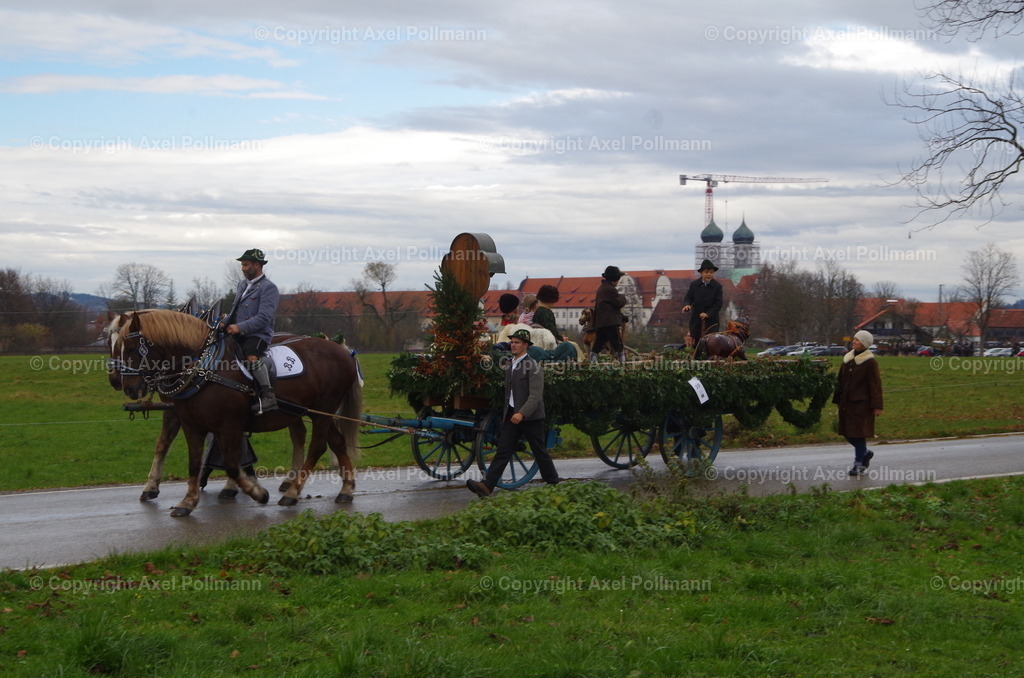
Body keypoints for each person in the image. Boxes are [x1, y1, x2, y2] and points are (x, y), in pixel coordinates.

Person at [467, 329, 561, 496]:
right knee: (503, 451)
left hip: (531, 418)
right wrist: (511, 412)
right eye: (512, 342)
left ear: (525, 345)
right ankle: (487, 486)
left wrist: (522, 413)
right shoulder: (511, 364)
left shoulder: (532, 366)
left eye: (517, 342)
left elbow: (535, 396)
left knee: (539, 451)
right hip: (511, 415)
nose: (513, 345)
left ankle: (553, 482)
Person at [223, 248, 280, 414]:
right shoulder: (242, 285)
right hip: (238, 332)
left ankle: (268, 396)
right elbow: (234, 311)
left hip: (258, 334)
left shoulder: (269, 288)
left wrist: (239, 327)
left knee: (251, 356)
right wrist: (224, 323)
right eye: (242, 264)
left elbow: (264, 317)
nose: (242, 268)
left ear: (257, 265)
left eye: (246, 265)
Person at [834, 329, 884, 476]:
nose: (853, 342)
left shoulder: (870, 362)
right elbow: (840, 381)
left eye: (857, 340)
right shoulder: (847, 359)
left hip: (862, 404)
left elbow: (875, 385)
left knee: (858, 433)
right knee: (847, 433)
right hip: (846, 403)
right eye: (854, 339)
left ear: (864, 344)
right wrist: (837, 398)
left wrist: (877, 405)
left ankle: (858, 464)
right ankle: (866, 453)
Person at [682, 259, 724, 347]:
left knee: (710, 344)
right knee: (696, 344)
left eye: (711, 272)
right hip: (696, 320)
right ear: (701, 273)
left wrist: (708, 314)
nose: (709, 274)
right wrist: (687, 305)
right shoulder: (694, 285)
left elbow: (718, 303)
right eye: (706, 272)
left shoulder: (717, 286)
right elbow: (688, 297)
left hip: (711, 322)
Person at [591, 265, 628, 363]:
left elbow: (609, 307)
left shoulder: (602, 288)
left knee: (598, 344)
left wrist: (621, 317)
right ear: (615, 278)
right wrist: (623, 297)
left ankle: (592, 362)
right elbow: (618, 303)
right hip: (610, 322)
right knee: (618, 344)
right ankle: (622, 363)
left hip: (601, 322)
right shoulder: (610, 289)